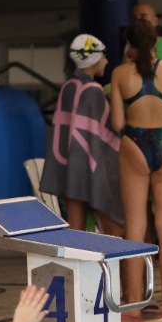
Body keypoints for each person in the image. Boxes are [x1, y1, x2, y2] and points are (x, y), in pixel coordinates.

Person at [110, 18, 162, 320]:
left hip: (134, 143)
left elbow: (117, 123)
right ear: (156, 42)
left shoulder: (119, 74)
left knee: (136, 223)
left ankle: (134, 306)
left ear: (128, 44)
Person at [40, 34, 124, 237]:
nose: (106, 61)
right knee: (115, 229)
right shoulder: (93, 91)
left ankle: (75, 260)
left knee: (74, 231)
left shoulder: (68, 88)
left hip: (71, 168)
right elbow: (106, 134)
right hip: (92, 168)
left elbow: (66, 132)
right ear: (93, 58)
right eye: (103, 55)